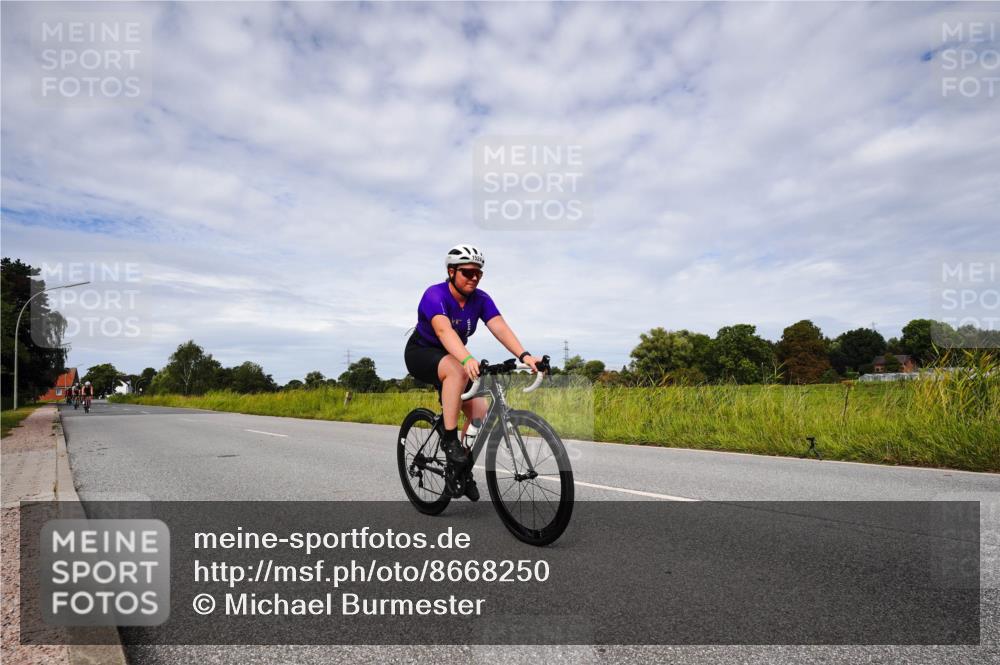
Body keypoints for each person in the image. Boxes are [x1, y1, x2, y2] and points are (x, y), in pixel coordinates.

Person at [404, 244, 542, 501]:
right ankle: (449, 439)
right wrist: (466, 357)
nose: (474, 277)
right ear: (452, 271)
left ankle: (459, 470)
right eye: (468, 272)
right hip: (422, 353)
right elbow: (444, 332)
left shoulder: (481, 298)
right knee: (458, 371)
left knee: (479, 412)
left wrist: (524, 356)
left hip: (453, 354)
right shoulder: (435, 295)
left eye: (479, 273)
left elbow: (499, 327)